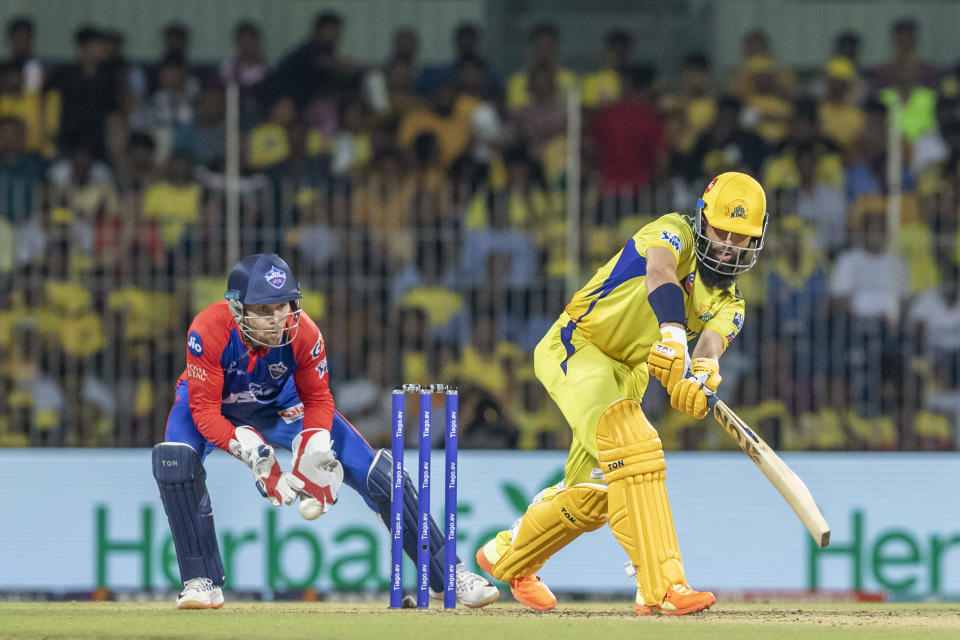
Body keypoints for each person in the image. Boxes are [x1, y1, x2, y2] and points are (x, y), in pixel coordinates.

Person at [474, 172, 769, 615]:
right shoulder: (672, 231)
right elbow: (660, 271)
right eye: (721, 230)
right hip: (577, 345)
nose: (727, 244)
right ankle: (662, 586)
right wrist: (672, 331)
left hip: (629, 374)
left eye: (740, 237)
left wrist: (702, 374)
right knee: (634, 448)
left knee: (593, 494)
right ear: (702, 218)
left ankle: (508, 554)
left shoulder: (733, 303)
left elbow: (710, 347)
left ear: (756, 241)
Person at [152, 254, 499, 609]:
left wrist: (314, 444)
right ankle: (201, 582)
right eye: (264, 311)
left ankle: (445, 575)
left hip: (282, 406)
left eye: (283, 306)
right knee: (174, 461)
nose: (277, 321)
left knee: (383, 476)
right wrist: (248, 449)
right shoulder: (208, 328)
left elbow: (318, 399)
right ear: (238, 308)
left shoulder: (305, 334)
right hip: (217, 404)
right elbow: (205, 412)